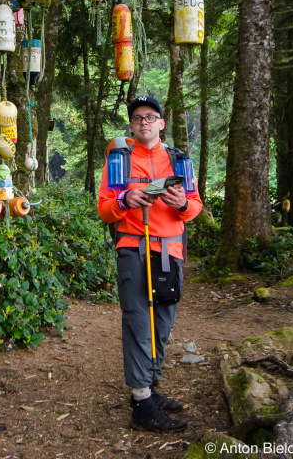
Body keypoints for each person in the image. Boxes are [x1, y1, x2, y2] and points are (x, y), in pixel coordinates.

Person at [97, 96, 202, 432]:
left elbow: (195, 206)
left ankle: (150, 387)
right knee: (140, 321)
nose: (144, 122)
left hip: (170, 252)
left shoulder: (179, 160)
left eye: (150, 117)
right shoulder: (119, 160)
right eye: (138, 118)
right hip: (134, 249)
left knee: (163, 322)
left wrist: (182, 203)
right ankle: (141, 402)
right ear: (131, 125)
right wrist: (125, 200)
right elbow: (104, 209)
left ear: (162, 123)